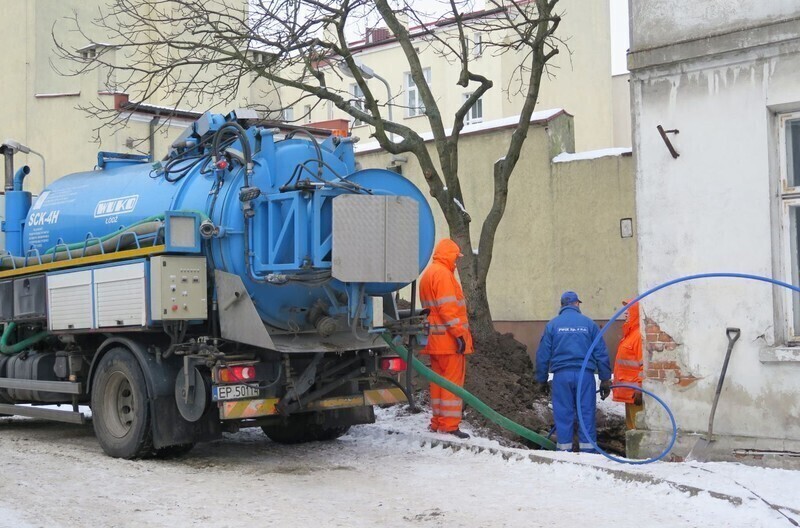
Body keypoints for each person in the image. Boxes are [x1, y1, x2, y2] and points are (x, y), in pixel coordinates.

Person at [535, 291, 611, 452]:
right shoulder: (589, 324)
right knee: (586, 413)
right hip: (585, 375)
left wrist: (541, 379)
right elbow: (601, 353)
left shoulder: (553, 325)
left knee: (563, 413)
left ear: (562, 305)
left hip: (562, 376)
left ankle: (564, 451)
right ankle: (588, 452)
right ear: (577, 304)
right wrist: (605, 379)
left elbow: (543, 354)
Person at [419, 238, 474, 439]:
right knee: (452, 383)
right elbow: (448, 309)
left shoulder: (429, 274)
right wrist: (459, 335)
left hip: (434, 338)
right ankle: (450, 425)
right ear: (449, 255)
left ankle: (438, 422)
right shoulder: (443, 275)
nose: (456, 262)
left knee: (438, 383)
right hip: (449, 340)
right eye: (455, 257)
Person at [612, 298, 644, 430]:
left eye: (628, 310)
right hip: (629, 392)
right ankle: (633, 451)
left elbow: (643, 364)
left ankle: (638, 451)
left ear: (636, 312)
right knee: (631, 428)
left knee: (637, 428)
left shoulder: (638, 336)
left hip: (635, 393)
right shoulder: (630, 335)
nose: (625, 313)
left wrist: (640, 388)